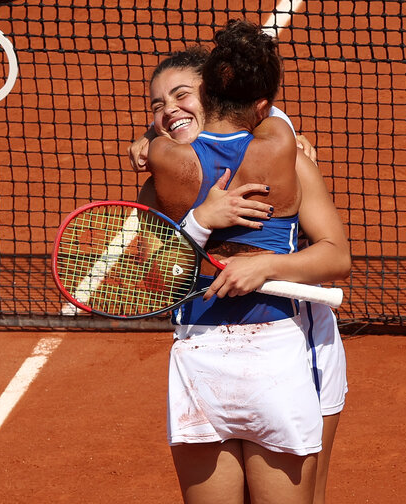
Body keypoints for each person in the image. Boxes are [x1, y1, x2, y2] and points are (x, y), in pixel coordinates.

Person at [135, 21, 350, 504]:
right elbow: (338, 257)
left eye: (180, 97)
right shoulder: (283, 150)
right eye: (159, 104)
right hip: (278, 356)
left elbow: (147, 279)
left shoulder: (161, 165)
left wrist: (154, 151)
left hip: (198, 356)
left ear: (206, 94)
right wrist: (203, 222)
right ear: (260, 102)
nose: (169, 111)